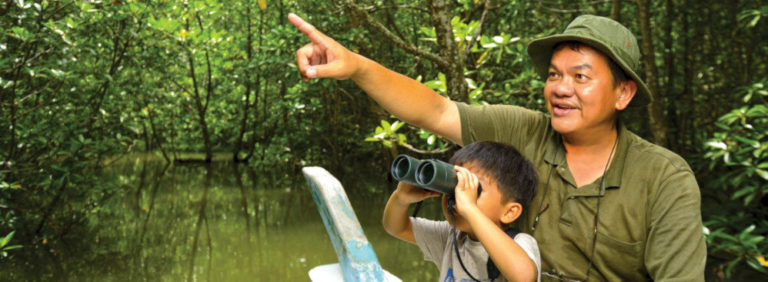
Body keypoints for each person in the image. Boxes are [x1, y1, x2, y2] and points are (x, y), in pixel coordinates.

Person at [289, 12, 706, 281]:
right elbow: (434, 111)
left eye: (581, 77)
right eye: (554, 75)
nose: (560, 89)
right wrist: (357, 66)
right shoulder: (523, 130)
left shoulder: (663, 178)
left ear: (623, 93)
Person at [382, 141, 540, 281]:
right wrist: (401, 198)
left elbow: (524, 277)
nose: (458, 193)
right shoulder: (450, 236)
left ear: (509, 212)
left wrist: (470, 209)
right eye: (455, 183)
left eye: (474, 188)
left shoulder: (520, 242)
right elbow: (396, 228)